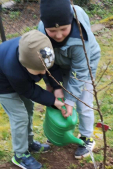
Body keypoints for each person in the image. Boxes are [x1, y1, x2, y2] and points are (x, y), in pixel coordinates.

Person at [0, 30, 65, 169]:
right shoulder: (14, 69)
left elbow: (52, 69)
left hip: (17, 77)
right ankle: (20, 154)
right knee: (19, 116)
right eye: (38, 71)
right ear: (25, 65)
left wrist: (57, 86)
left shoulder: (42, 52)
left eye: (45, 69)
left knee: (28, 107)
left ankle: (29, 143)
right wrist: (52, 101)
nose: (44, 74)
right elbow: (29, 91)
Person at [38, 0, 101, 159]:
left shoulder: (80, 38)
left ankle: (87, 137)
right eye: (52, 31)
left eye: (64, 29)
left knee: (83, 99)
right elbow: (47, 62)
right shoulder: (40, 34)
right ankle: (59, 132)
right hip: (59, 63)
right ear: (45, 26)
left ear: (71, 21)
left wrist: (71, 101)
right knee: (59, 97)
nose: (58, 35)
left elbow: (80, 72)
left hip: (86, 62)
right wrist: (53, 84)